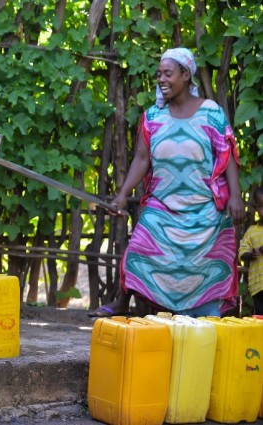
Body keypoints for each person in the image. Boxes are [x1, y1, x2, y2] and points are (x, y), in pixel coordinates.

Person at [89, 47, 245, 318]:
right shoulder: (153, 117)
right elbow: (141, 158)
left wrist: (235, 196)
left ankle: (210, 315)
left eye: (168, 73)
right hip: (163, 206)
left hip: (206, 209)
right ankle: (121, 301)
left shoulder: (211, 113)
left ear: (186, 75)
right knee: (138, 248)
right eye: (159, 74)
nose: (161, 79)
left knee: (216, 259)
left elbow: (228, 154)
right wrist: (123, 195)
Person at [239, 187, 263, 315]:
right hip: (258, 287)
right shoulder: (252, 231)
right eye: (261, 206)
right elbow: (242, 251)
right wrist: (251, 254)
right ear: (255, 207)